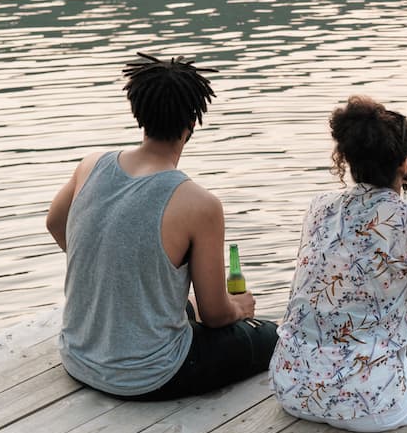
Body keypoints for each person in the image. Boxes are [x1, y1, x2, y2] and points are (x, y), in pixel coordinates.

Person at [46, 53, 277, 399]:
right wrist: (240, 308)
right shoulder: (199, 204)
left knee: (186, 307)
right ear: (192, 123)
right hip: (150, 375)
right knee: (270, 335)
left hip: (78, 357)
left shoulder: (91, 165)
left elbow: (55, 223)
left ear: (138, 112)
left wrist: (109, 268)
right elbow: (216, 315)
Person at [269, 96, 407, 432]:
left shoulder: (319, 207)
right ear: (405, 164)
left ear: (347, 159)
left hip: (292, 389)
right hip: (371, 407)